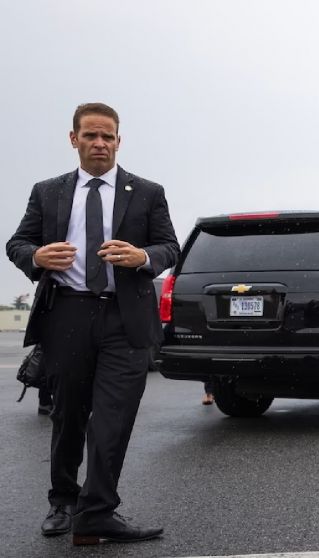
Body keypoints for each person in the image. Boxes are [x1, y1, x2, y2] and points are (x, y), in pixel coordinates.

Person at [6, 103, 179, 545]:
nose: (100, 143)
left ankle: (97, 512)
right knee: (68, 415)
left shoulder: (147, 192)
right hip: (67, 313)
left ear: (119, 141)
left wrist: (143, 257)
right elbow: (18, 242)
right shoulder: (48, 192)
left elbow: (169, 247)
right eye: (90, 136)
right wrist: (36, 256)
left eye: (108, 136)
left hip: (125, 318)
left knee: (113, 419)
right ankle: (63, 501)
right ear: (74, 139)